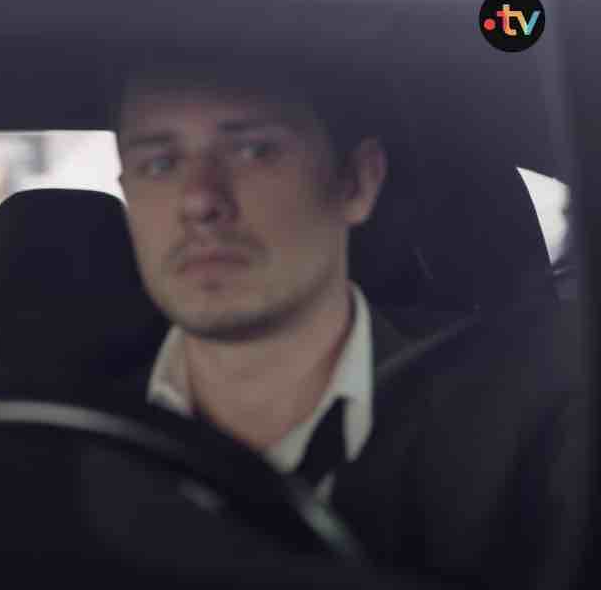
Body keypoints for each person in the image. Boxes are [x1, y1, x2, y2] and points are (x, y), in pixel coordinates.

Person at [107, 56, 588, 588]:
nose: (200, 199)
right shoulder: (57, 448)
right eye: (159, 163)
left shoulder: (545, 438)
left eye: (254, 150)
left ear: (358, 182)